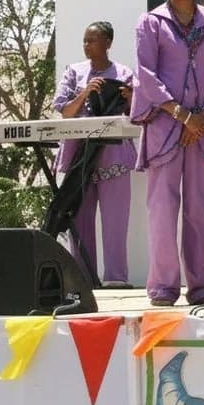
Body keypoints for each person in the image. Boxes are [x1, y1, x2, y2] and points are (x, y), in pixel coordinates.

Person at [132, 0, 204, 307]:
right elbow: (145, 74)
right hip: (164, 127)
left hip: (202, 129)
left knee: (200, 208)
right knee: (161, 207)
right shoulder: (151, 23)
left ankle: (202, 286)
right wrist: (180, 114)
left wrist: (201, 116)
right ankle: (163, 287)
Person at [52, 21, 137, 287]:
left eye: (92, 40)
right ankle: (82, 280)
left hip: (113, 157)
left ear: (108, 43)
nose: (87, 45)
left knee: (115, 223)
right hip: (79, 158)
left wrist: (130, 97)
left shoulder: (124, 72)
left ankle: (116, 281)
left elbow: (137, 114)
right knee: (80, 221)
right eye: (85, 40)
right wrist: (86, 92)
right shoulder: (73, 72)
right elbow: (64, 111)